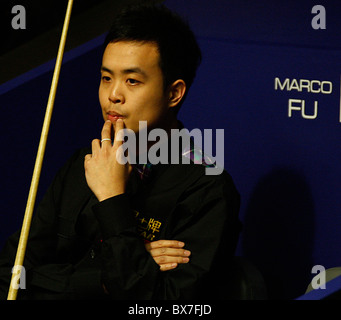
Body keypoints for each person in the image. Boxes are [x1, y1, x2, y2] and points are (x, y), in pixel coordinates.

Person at [0, 3, 241, 300]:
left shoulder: (208, 191)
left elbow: (158, 303)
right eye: (106, 78)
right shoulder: (85, 163)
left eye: (132, 81)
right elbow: (11, 275)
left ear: (174, 93)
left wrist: (113, 199)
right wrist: (102, 278)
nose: (113, 94)